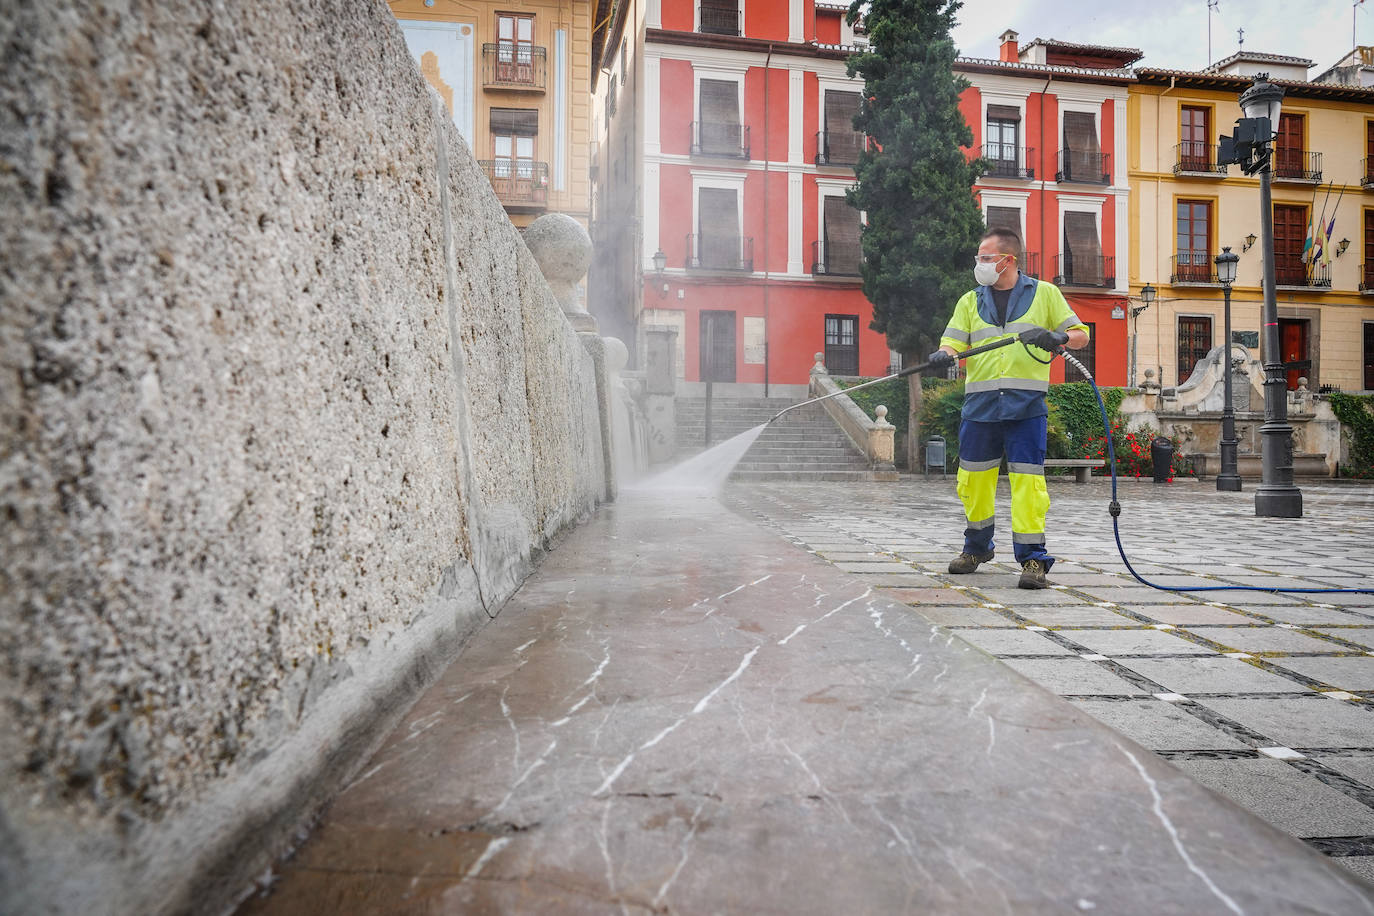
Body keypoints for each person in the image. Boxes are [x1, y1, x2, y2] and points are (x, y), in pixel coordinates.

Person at [927, 228, 1090, 589]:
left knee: (1028, 485)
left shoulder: (1045, 294)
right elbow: (953, 342)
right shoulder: (969, 301)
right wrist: (943, 355)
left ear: (1008, 260)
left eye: (986, 258)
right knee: (973, 482)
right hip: (979, 408)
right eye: (979, 258)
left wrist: (1058, 336)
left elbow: (1081, 334)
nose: (980, 264)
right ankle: (977, 548)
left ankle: (1033, 560)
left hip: (1026, 408)